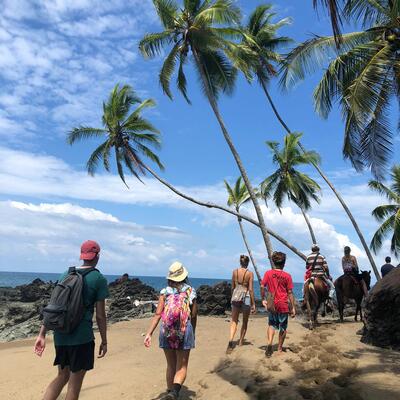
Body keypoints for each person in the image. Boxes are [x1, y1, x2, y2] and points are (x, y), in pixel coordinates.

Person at [34, 240, 109, 400]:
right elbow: (100, 316)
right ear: (97, 256)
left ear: (82, 255)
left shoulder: (66, 274)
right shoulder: (99, 279)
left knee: (62, 376)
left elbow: (53, 306)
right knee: (74, 384)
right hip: (81, 338)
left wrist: (42, 334)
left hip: (60, 335)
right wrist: (104, 340)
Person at [144, 262, 197, 400]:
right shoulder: (190, 291)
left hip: (166, 330)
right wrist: (193, 332)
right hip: (184, 330)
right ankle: (174, 393)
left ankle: (169, 392)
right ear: (184, 276)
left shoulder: (164, 292)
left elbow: (158, 314)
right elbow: (194, 315)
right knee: (182, 366)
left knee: (170, 365)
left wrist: (149, 333)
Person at [261, 252, 296, 357]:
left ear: (274, 262)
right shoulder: (287, 276)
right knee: (283, 327)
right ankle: (279, 348)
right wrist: (293, 307)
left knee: (271, 325)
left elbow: (262, 286)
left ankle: (269, 343)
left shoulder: (268, 273)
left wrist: (263, 299)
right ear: (284, 263)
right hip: (283, 304)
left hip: (272, 303)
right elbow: (290, 293)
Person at [226, 255, 256, 354]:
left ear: (240, 262)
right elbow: (250, 289)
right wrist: (253, 304)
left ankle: (231, 340)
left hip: (236, 296)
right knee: (245, 321)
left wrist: (232, 297)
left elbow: (232, 287)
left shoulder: (235, 272)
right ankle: (241, 342)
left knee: (234, 320)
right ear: (248, 263)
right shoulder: (250, 273)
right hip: (246, 297)